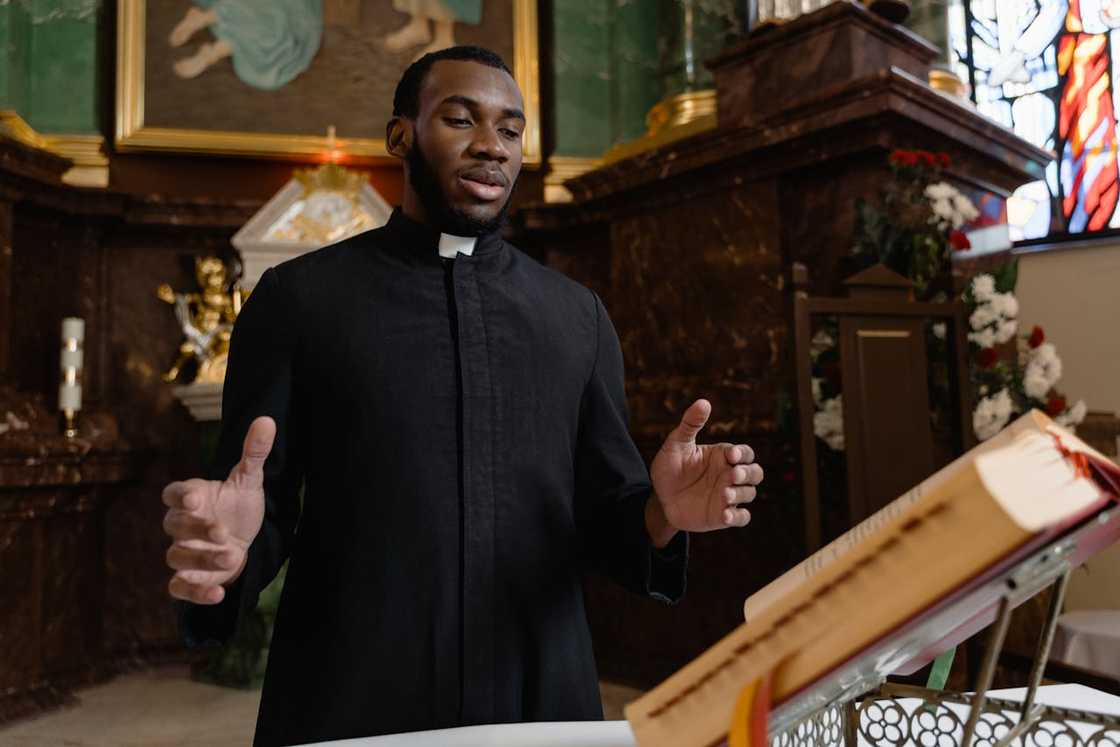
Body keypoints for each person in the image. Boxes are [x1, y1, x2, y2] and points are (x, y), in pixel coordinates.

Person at [161, 45, 764, 746]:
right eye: (460, 119)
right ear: (400, 136)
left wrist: (664, 512)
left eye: (510, 130)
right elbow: (258, 503)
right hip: (353, 688)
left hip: (538, 693)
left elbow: (611, 520)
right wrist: (230, 553)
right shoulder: (299, 300)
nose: (491, 146)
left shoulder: (577, 317)